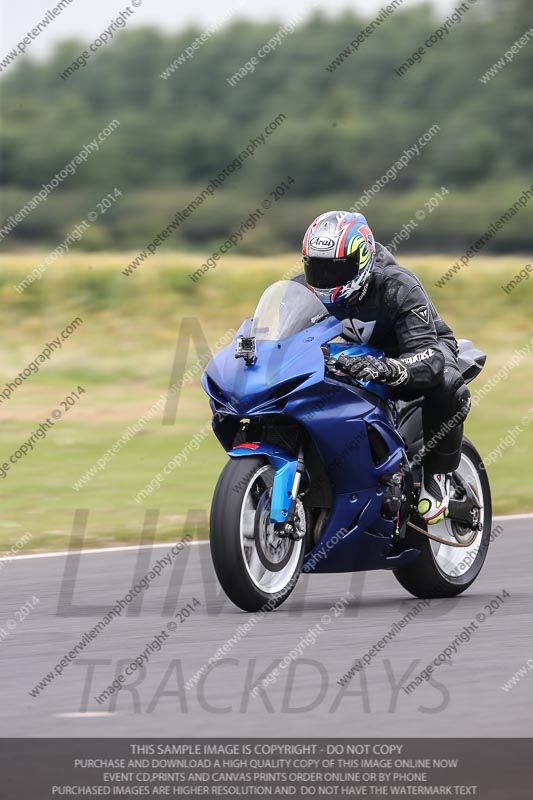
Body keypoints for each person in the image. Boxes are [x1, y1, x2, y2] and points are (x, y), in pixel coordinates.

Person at [298, 210, 471, 525]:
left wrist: (387, 368)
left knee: (447, 381)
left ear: (362, 259)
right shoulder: (303, 291)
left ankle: (438, 476)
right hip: (352, 357)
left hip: (417, 351)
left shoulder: (397, 286)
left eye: (336, 269)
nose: (325, 279)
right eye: (317, 268)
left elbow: (429, 356)